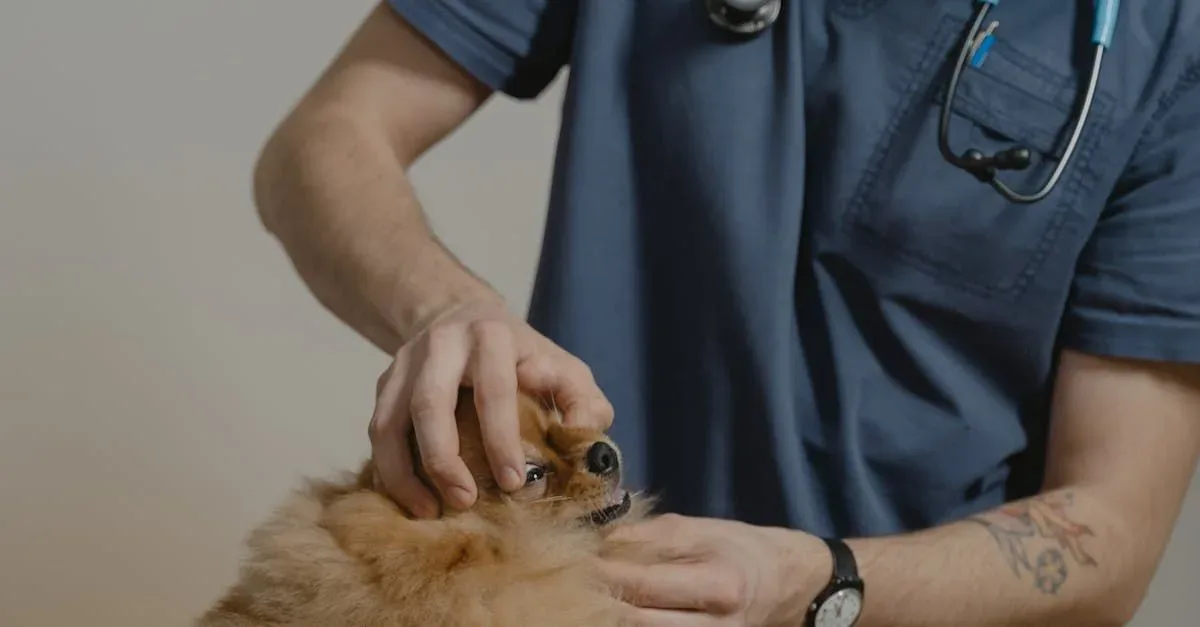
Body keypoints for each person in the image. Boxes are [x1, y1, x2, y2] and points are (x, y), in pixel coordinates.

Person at [252, 1, 1200, 625]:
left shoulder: (1168, 46)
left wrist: (820, 580)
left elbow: (1113, 529)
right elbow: (326, 138)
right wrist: (447, 306)